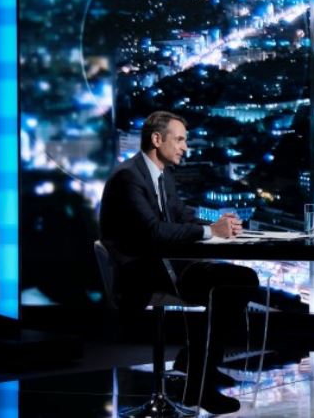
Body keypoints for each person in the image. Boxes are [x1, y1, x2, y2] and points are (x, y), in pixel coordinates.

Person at [99, 111, 301, 415]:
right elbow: (153, 231)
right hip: (141, 273)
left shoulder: (161, 175)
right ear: (157, 139)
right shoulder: (128, 177)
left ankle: (196, 368)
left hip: (166, 265)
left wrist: (219, 226)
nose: (185, 147)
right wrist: (210, 232)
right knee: (236, 282)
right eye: (180, 139)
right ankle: (199, 377)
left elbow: (181, 217)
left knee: (240, 279)